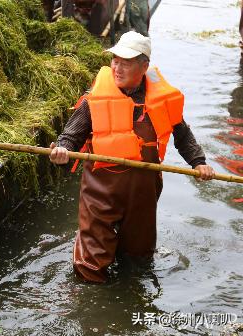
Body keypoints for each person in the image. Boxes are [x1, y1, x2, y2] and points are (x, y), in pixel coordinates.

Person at [49, 31, 215, 283]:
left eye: (125, 62)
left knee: (139, 260)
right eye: (115, 60)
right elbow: (70, 137)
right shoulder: (95, 98)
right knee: (90, 265)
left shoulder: (161, 99)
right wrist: (61, 150)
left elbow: (183, 135)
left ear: (144, 66)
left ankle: (131, 295)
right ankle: (90, 306)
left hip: (143, 191)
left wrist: (199, 163)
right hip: (100, 190)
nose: (117, 67)